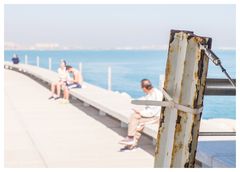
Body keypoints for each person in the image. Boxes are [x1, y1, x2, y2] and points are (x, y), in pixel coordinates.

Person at [119, 79, 163, 150]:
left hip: (156, 117)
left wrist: (140, 113)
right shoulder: (151, 93)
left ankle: (130, 140)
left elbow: (153, 112)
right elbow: (146, 102)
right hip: (151, 116)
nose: (142, 90)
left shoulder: (157, 95)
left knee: (137, 121)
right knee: (134, 118)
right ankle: (131, 143)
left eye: (142, 88)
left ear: (144, 87)